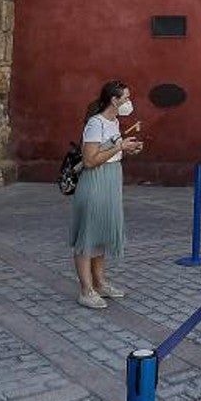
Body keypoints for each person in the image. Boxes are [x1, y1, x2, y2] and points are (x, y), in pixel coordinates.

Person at [71, 80, 143, 309]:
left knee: (101, 233)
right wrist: (119, 147)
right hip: (95, 181)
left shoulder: (114, 122)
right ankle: (86, 290)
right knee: (88, 235)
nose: (129, 102)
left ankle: (100, 283)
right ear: (114, 100)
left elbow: (111, 153)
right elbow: (89, 160)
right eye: (126, 98)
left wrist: (128, 148)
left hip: (111, 177)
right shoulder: (96, 123)